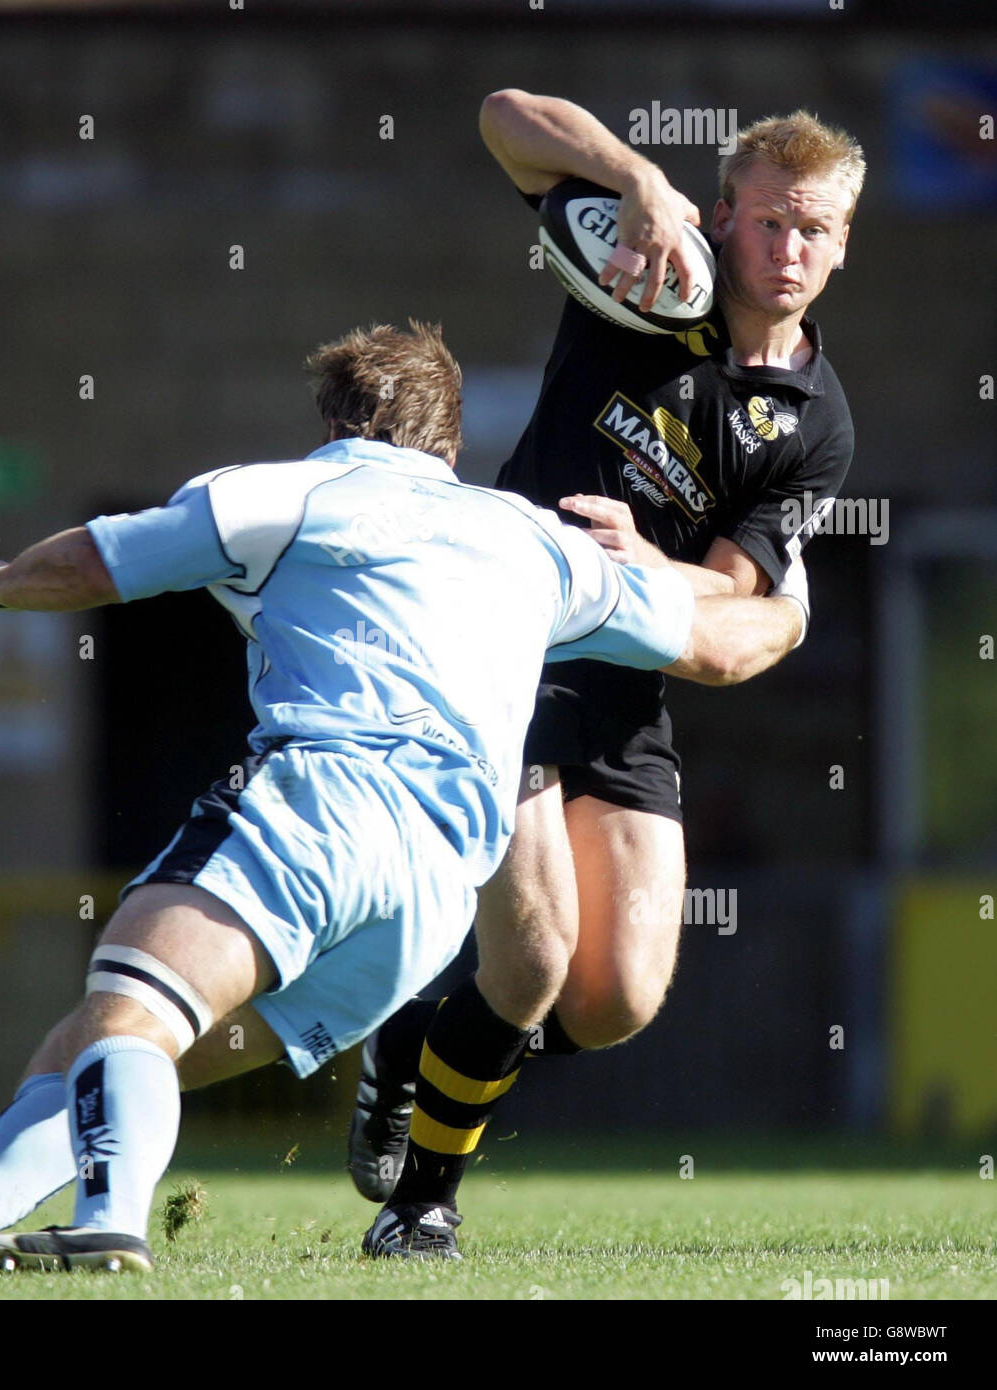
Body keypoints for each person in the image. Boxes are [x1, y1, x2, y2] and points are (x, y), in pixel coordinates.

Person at [0, 320, 784, 1273]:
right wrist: (787, 604)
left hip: (323, 808)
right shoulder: (530, 537)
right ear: (451, 437)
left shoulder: (287, 494)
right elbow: (716, 645)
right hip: (432, 904)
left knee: (130, 1003)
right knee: (110, 1041)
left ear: (336, 424)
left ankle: (109, 1225)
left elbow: (95, 561)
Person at [348, 92, 863, 1258]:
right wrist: (634, 177)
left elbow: (739, 587)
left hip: (627, 671)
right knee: (530, 957)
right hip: (506, 643)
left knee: (616, 996)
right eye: (770, 222)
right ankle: (423, 1202)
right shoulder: (649, 263)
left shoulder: (818, 422)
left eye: (815, 230)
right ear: (723, 215)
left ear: (843, 243)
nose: (788, 250)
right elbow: (500, 118)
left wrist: (651, 567)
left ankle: (417, 1039)